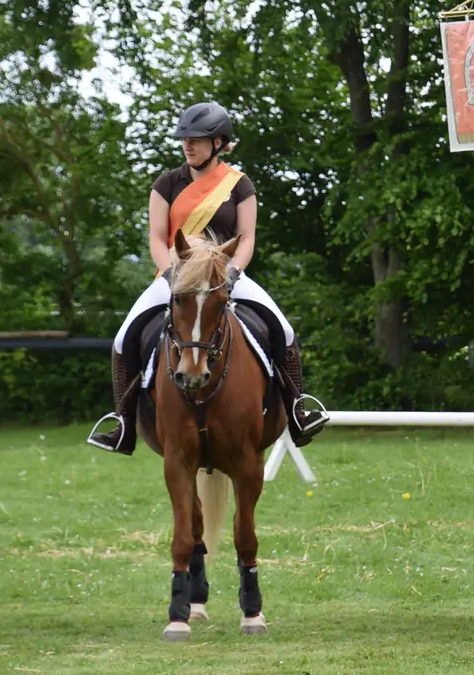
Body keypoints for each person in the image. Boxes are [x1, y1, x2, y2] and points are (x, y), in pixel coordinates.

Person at [86, 102, 327, 455]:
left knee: (284, 331)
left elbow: (246, 238)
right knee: (124, 339)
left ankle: (297, 412)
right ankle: (123, 423)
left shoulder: (239, 184)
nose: (188, 146)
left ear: (218, 143)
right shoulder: (166, 183)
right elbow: (157, 237)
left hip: (225, 274)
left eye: (196, 140)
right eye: (185, 139)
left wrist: (232, 274)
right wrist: (170, 273)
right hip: (176, 276)